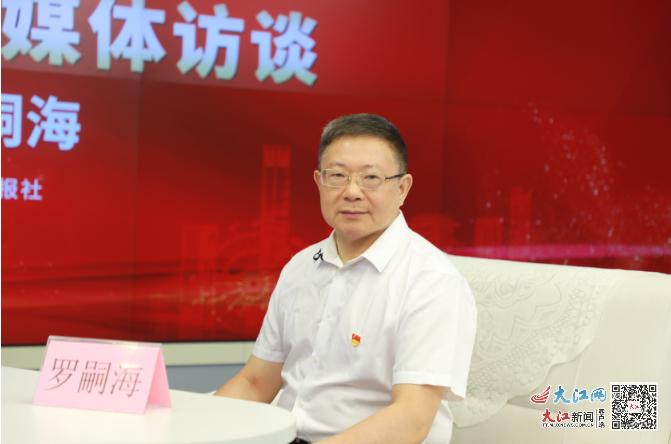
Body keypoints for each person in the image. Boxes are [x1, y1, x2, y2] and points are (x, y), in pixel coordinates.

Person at [215, 114, 477, 444]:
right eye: (337, 176)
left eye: (371, 178)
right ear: (319, 182)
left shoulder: (432, 281)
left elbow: (411, 419)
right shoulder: (300, 267)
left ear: (402, 188)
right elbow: (255, 383)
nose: (352, 192)